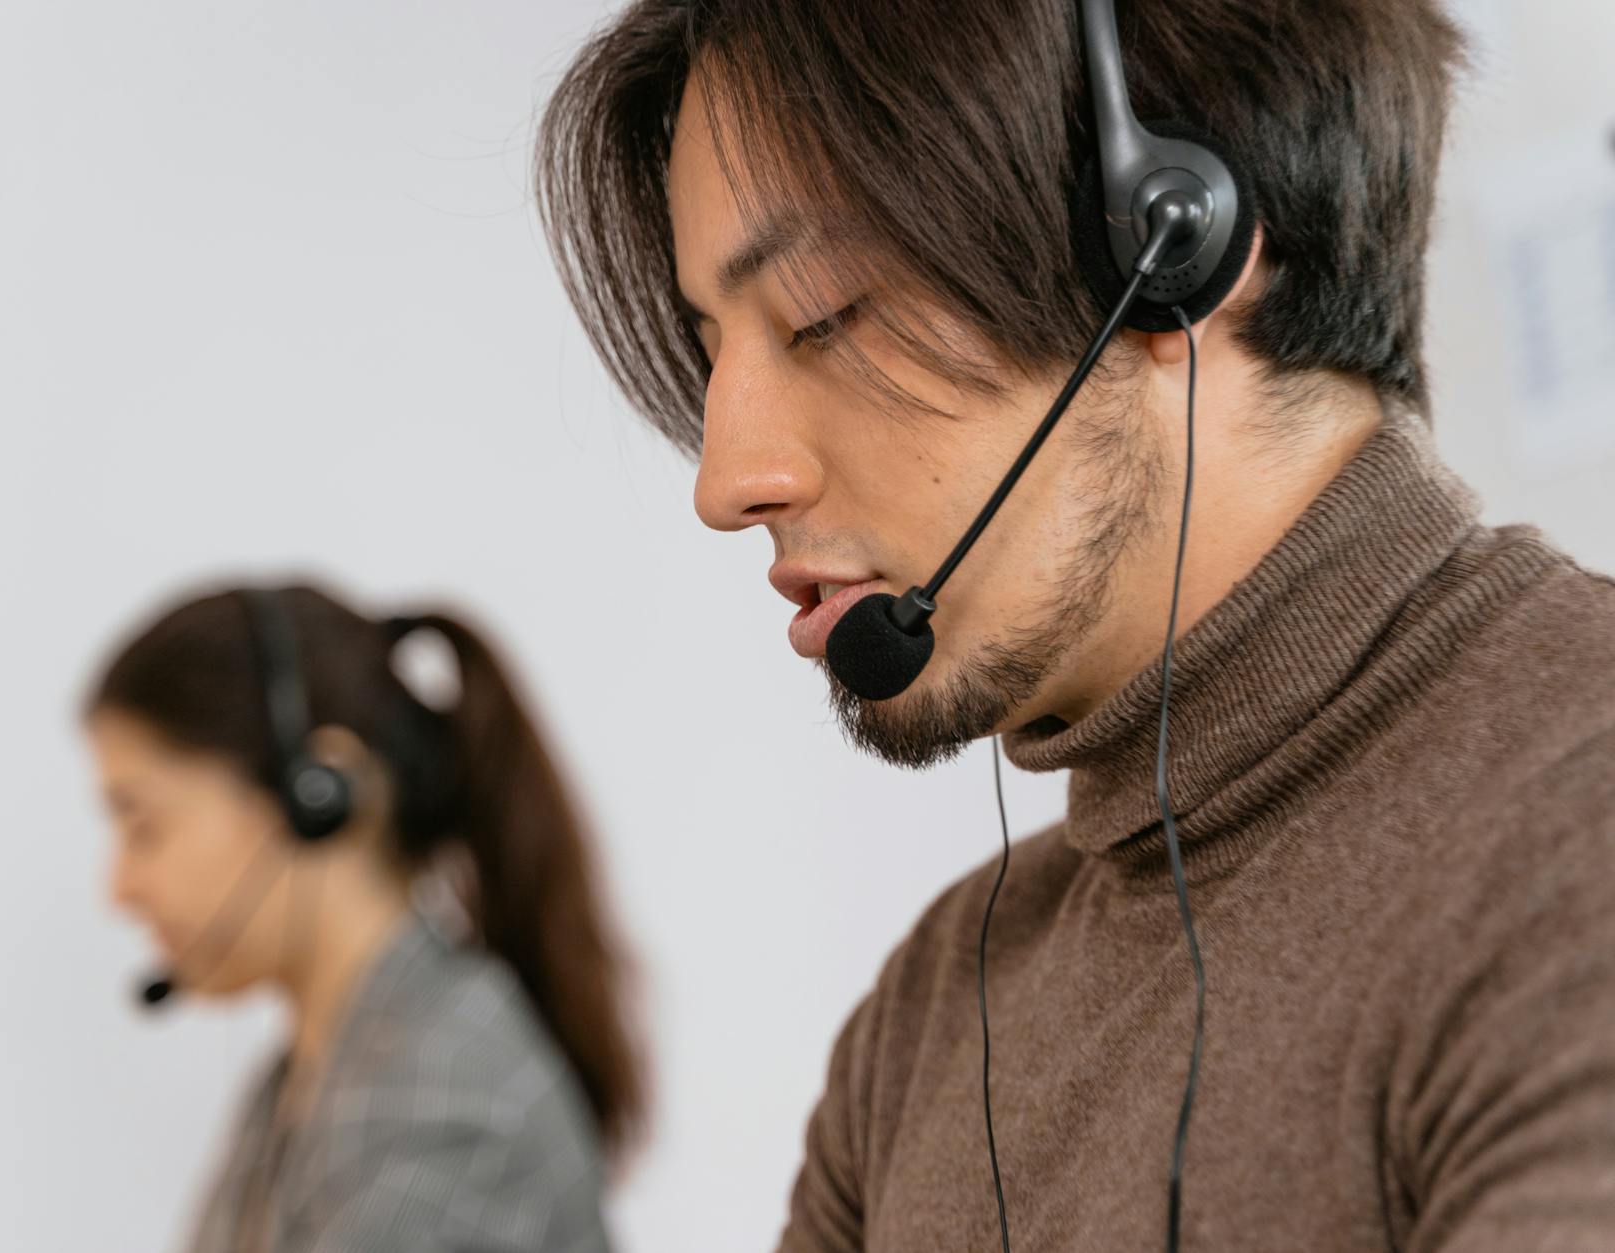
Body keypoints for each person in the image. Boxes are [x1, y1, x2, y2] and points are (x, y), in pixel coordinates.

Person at [534, 0, 1615, 1248]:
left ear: (1172, 243)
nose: (726, 479)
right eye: (712, 348)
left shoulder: (1570, 837)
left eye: (822, 312)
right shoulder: (929, 1022)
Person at [84, 582, 642, 1252]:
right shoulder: (312, 1076)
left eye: (145, 825)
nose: (118, 888)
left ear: (319, 794)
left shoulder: (439, 1107)